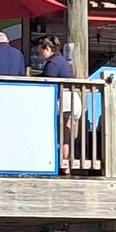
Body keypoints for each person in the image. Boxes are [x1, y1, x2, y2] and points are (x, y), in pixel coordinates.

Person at [37, 36, 77, 173]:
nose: (39, 55)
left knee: (60, 133)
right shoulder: (60, 60)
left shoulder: (53, 63)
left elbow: (47, 81)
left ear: (47, 49)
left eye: (40, 52)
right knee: (65, 134)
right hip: (71, 99)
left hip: (64, 100)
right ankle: (66, 165)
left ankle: (63, 164)